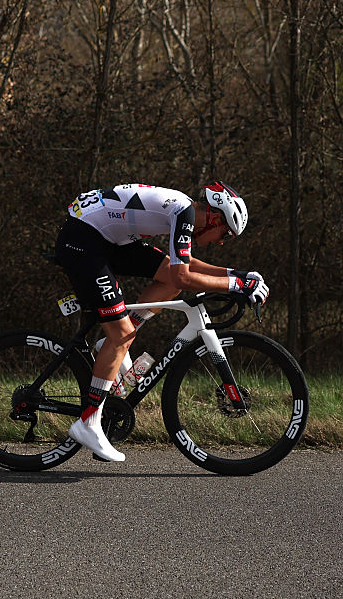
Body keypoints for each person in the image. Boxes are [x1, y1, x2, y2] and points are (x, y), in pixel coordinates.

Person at [54, 182, 268, 462]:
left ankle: (113, 342)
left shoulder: (183, 210)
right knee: (123, 333)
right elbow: (184, 276)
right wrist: (235, 285)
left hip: (104, 237)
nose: (221, 241)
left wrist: (236, 274)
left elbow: (182, 267)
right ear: (214, 217)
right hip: (85, 239)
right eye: (225, 233)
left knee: (167, 281)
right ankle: (89, 421)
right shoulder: (183, 211)